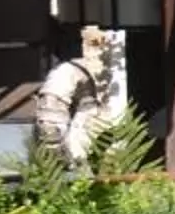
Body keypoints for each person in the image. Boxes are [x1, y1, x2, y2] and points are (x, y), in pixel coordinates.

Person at [33, 23, 123, 162]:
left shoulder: (71, 72)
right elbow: (49, 121)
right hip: (74, 155)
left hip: (91, 151)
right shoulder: (67, 72)